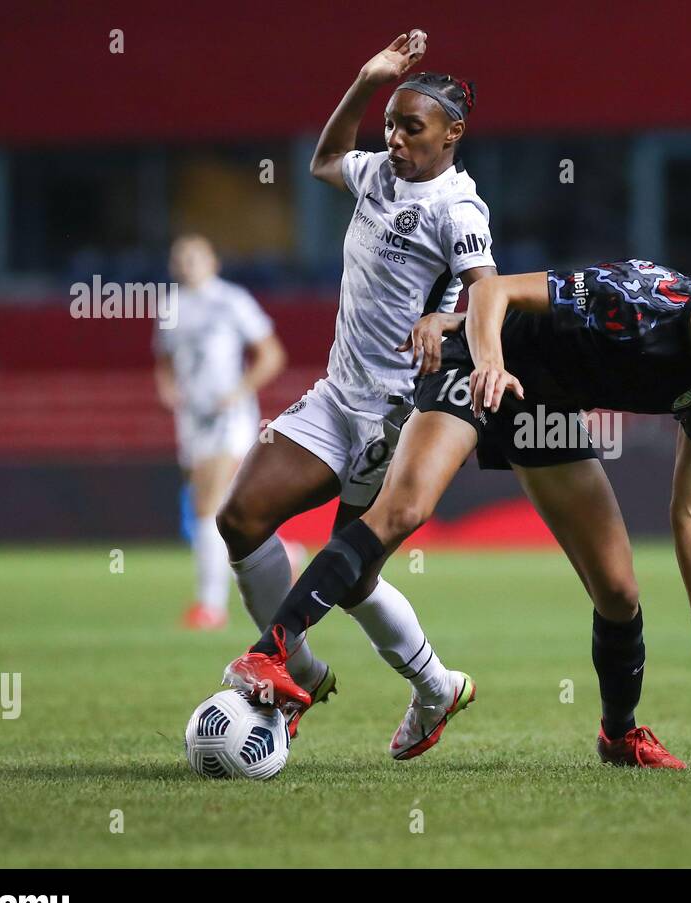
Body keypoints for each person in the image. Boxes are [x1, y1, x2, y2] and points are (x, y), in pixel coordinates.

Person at [227, 249, 691, 767]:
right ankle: (270, 655)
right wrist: (487, 360)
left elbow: (689, 511)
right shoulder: (634, 296)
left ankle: (619, 735)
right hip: (482, 366)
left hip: (542, 410)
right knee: (406, 509)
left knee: (621, 592)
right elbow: (493, 290)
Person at [213, 30, 497, 729]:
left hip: (392, 419)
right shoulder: (378, 174)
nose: (395, 139)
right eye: (391, 124)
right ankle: (300, 668)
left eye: (412, 127)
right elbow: (326, 159)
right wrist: (367, 80)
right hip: (335, 395)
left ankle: (436, 687)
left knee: (353, 575)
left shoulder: (457, 209)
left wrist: (450, 325)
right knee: (239, 518)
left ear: (452, 133)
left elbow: (487, 291)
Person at [153, 235, 286, 629]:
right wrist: (168, 388)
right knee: (221, 506)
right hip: (192, 418)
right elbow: (163, 358)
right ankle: (285, 555)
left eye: (195, 256)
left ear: (213, 261)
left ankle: (210, 606)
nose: (187, 263)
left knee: (205, 507)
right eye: (180, 257)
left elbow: (272, 354)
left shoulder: (231, 301)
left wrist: (239, 391)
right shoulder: (171, 307)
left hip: (228, 416)